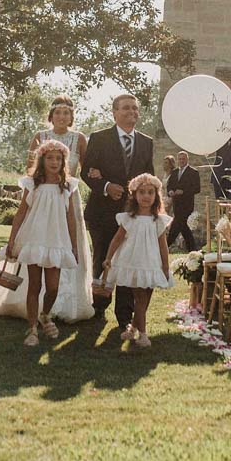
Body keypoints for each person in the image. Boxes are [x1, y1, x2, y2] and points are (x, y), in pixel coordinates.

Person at [0, 140, 83, 346]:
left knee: (53, 287)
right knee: (34, 285)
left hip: (57, 239)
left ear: (63, 162)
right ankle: (32, 328)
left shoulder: (67, 186)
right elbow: (21, 213)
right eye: (50, 158)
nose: (54, 162)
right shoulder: (32, 184)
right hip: (35, 237)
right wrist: (12, 239)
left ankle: (45, 314)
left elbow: (71, 218)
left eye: (58, 158)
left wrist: (74, 245)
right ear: (42, 160)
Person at [81, 94, 155, 328]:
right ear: (114, 112)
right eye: (125, 108)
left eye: (135, 109)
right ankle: (98, 307)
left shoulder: (146, 142)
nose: (131, 112)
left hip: (131, 215)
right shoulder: (99, 138)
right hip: (101, 212)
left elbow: (148, 178)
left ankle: (125, 315)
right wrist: (105, 186)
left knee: (127, 261)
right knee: (103, 258)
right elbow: (86, 172)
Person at [100, 174, 172, 348]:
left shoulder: (158, 220)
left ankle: (132, 328)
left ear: (156, 196)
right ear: (134, 195)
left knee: (146, 297)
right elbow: (117, 239)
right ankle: (143, 334)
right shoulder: (128, 218)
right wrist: (109, 257)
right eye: (142, 192)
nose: (146, 196)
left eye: (150, 193)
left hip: (151, 263)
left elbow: (163, 246)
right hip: (133, 261)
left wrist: (165, 266)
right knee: (139, 296)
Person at [29, 96, 88, 175]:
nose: (61, 117)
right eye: (57, 112)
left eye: (66, 113)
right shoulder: (39, 137)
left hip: (69, 186)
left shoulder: (80, 139)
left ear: (71, 117)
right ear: (51, 116)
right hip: (42, 186)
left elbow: (86, 170)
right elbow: (30, 169)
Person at [165, 151, 201, 250]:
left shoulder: (193, 172)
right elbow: (169, 185)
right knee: (184, 228)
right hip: (176, 205)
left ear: (187, 159)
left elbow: (197, 188)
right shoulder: (175, 172)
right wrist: (170, 191)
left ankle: (164, 247)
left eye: (183, 159)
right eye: (180, 159)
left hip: (187, 205)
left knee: (176, 226)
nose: (181, 161)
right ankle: (193, 250)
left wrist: (184, 191)